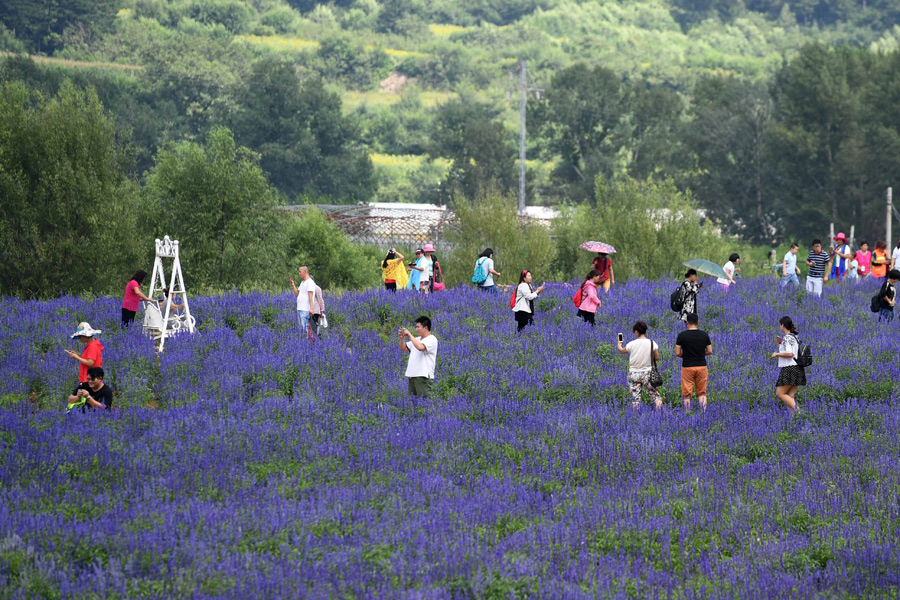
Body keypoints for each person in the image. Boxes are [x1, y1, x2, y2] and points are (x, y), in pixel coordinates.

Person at [616, 321, 662, 411]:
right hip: (647, 374)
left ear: (636, 332)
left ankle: (636, 419)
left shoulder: (632, 344)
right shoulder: (652, 343)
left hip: (633, 374)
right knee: (655, 397)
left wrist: (619, 344)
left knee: (635, 400)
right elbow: (657, 357)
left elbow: (622, 350)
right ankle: (661, 416)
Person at [674, 313, 712, 412]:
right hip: (702, 366)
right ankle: (703, 413)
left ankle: (688, 413)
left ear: (687, 323)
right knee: (702, 393)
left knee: (687, 394)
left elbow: (677, 353)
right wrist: (700, 354)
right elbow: (710, 351)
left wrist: (686, 356)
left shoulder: (682, 335)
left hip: (687, 367)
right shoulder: (704, 335)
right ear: (698, 323)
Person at [772, 316, 805, 414]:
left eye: (780, 325)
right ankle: (793, 421)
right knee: (790, 396)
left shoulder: (787, 338)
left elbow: (790, 354)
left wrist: (776, 354)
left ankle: (800, 414)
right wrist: (781, 347)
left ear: (783, 325)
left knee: (780, 393)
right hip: (798, 369)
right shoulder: (794, 337)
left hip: (790, 369)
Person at [399, 316, 438, 398]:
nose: (416, 329)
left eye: (418, 327)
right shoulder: (417, 339)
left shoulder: (432, 339)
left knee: (425, 403)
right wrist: (402, 338)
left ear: (425, 328)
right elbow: (403, 348)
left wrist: (409, 335)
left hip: (423, 377)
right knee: (412, 404)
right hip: (412, 375)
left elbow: (420, 347)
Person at [290, 266, 315, 339]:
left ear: (305, 272)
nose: (299, 273)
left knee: (304, 330)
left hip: (305, 310)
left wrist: (311, 308)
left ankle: (306, 345)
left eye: (300, 271)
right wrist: (293, 285)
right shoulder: (302, 282)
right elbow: (297, 294)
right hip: (300, 309)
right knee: (301, 330)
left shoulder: (310, 282)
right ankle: (303, 344)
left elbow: (310, 296)